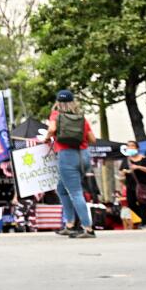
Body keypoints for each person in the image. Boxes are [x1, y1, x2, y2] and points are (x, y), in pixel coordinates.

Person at [45, 90, 97, 238]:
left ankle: (88, 228)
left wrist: (47, 138)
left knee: (75, 192)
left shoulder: (56, 115)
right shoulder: (81, 118)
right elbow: (93, 140)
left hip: (67, 156)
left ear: (57, 102)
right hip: (84, 156)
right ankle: (70, 224)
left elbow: (52, 129)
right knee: (61, 189)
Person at [118, 140, 146, 226]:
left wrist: (137, 167)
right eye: (128, 146)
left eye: (132, 146)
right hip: (130, 185)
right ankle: (144, 218)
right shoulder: (126, 160)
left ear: (137, 148)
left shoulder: (144, 159)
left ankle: (144, 223)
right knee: (131, 203)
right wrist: (124, 173)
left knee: (143, 203)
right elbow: (121, 172)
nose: (130, 148)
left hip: (143, 184)